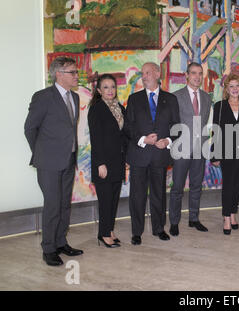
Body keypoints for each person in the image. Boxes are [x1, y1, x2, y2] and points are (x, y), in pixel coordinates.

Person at [24, 56, 83, 266]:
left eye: (76, 72)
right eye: (73, 72)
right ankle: (48, 249)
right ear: (59, 74)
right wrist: (42, 153)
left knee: (64, 204)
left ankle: (60, 242)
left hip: (68, 159)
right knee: (52, 205)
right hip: (48, 162)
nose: (77, 75)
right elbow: (30, 128)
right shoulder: (43, 97)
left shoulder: (74, 98)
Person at [125, 62, 180, 243]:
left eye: (148, 72)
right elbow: (128, 128)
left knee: (159, 195)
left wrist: (167, 141)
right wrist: (143, 140)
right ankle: (136, 232)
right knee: (137, 196)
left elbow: (176, 127)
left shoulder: (170, 99)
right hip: (139, 156)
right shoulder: (134, 99)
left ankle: (158, 228)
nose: (144, 76)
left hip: (160, 156)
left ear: (158, 74)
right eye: (143, 73)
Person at [169, 62, 212, 237]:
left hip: (200, 149)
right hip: (181, 149)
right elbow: (171, 122)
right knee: (177, 187)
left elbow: (203, 123)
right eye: (193, 73)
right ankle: (174, 222)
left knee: (196, 186)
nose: (197, 77)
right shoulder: (175, 96)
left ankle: (194, 218)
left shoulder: (207, 97)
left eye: (200, 74)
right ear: (186, 75)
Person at [88, 74, 128, 248]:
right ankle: (104, 234)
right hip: (104, 163)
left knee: (113, 200)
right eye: (105, 87)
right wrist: (100, 163)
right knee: (105, 200)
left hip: (118, 162)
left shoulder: (119, 107)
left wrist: (126, 159)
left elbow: (124, 136)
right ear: (99, 90)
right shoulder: (96, 109)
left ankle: (109, 230)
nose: (110, 90)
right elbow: (96, 139)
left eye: (112, 87)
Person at [210, 74, 239, 235]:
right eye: (231, 86)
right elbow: (217, 131)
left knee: (237, 186)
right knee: (228, 186)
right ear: (226, 89)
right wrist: (215, 154)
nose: (234, 89)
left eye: (237, 86)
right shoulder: (219, 106)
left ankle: (233, 213)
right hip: (226, 151)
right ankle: (226, 217)